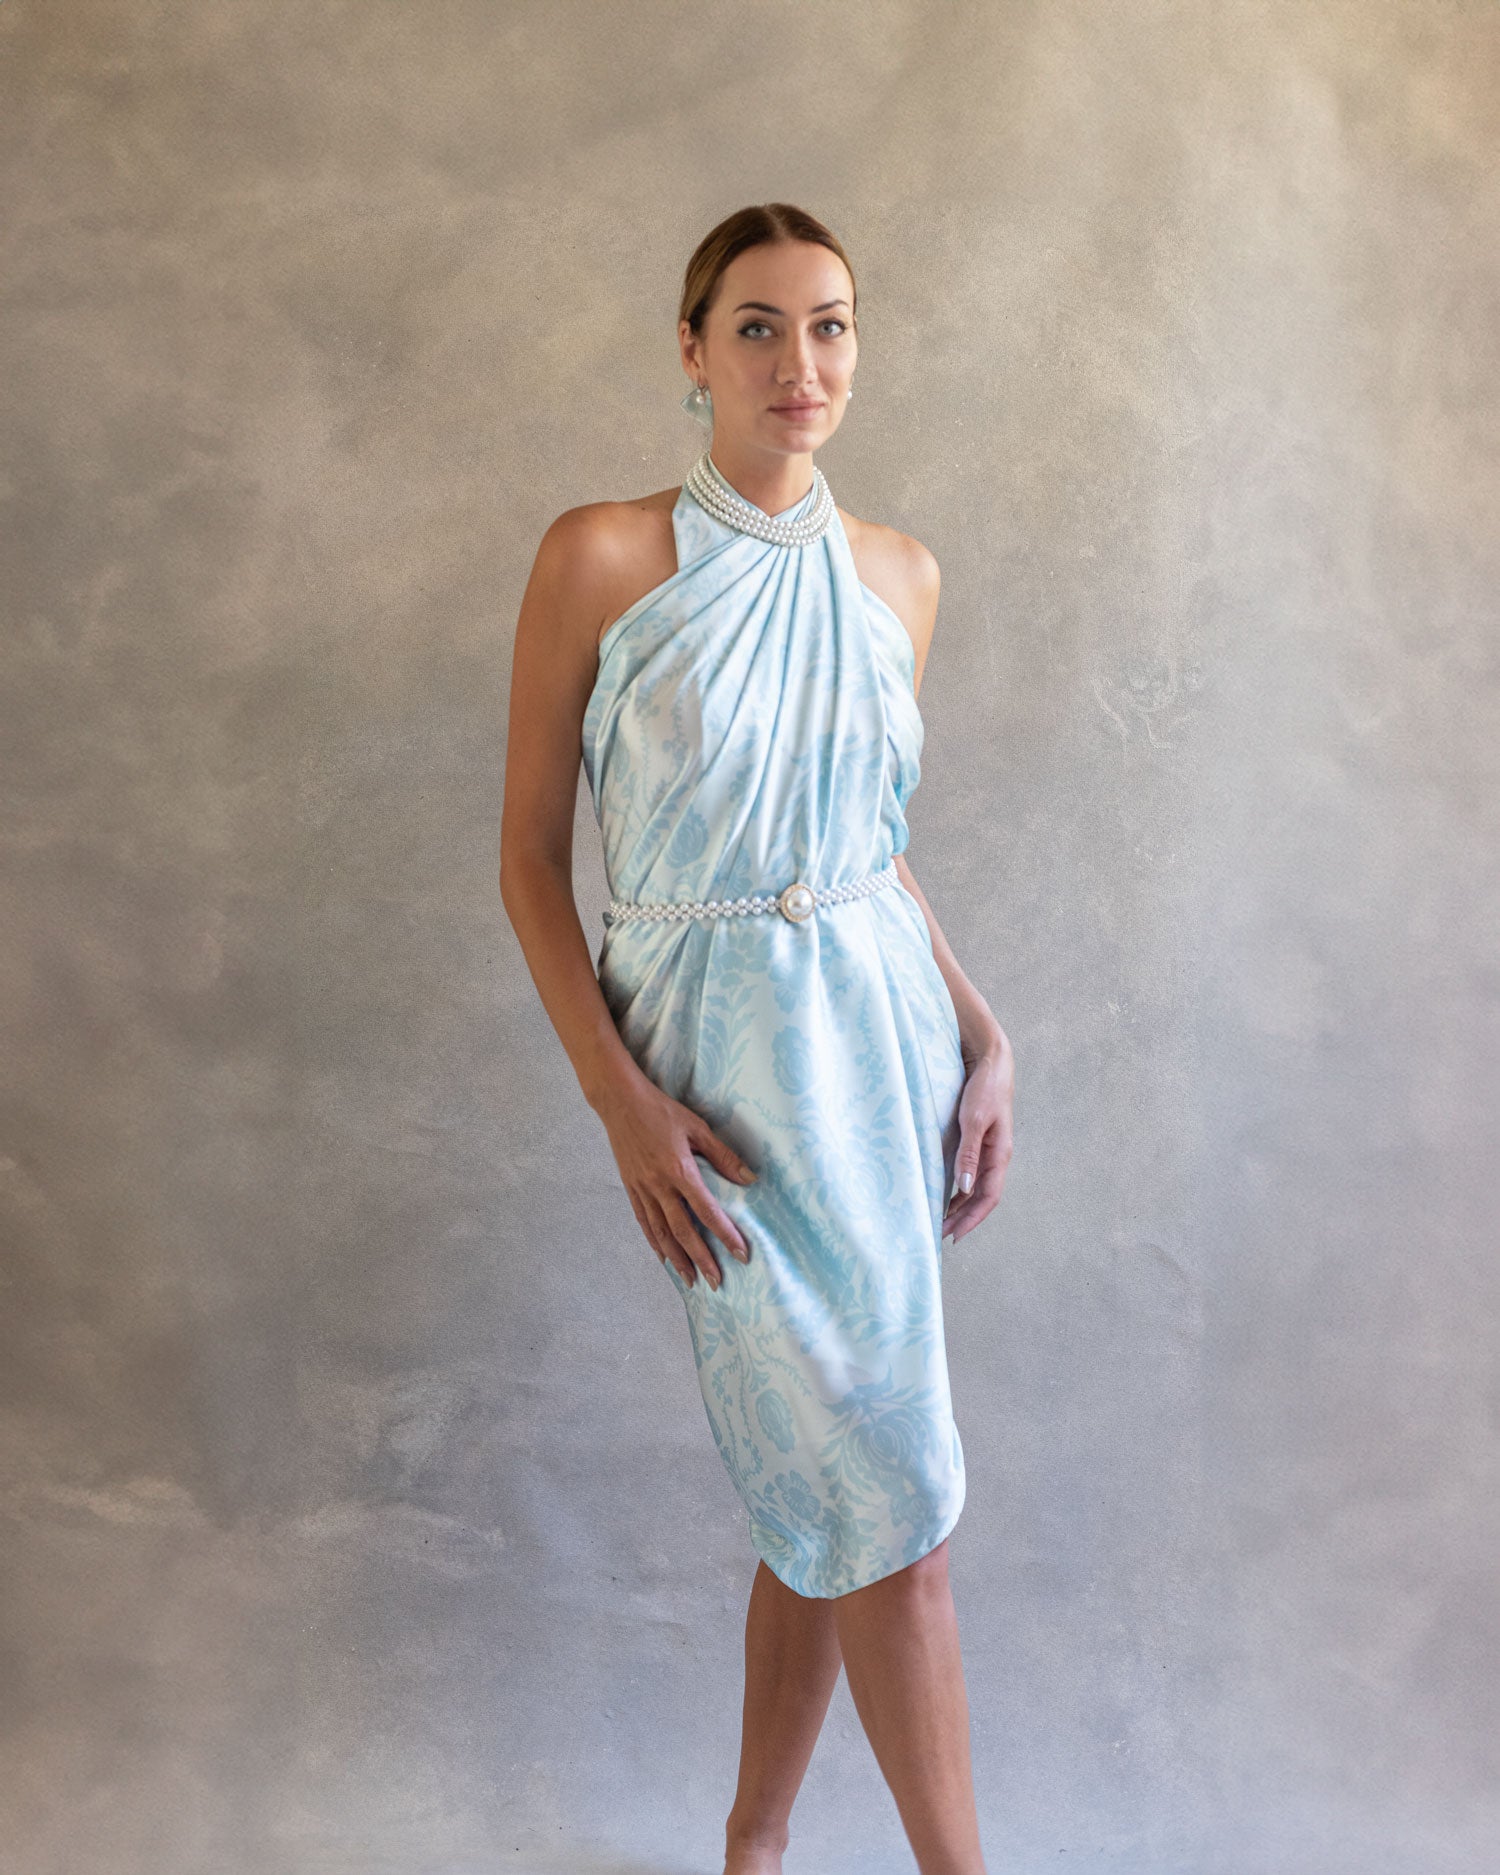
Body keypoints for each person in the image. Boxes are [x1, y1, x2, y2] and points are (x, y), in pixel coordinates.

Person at [500, 202, 1015, 1875]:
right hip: (713, 1077)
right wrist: (619, 1105)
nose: (803, 364)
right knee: (888, 1504)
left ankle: (752, 1848)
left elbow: (863, 844)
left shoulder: (902, 575)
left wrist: (982, 1028)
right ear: (692, 348)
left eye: (834, 325)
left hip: (878, 1050)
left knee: (843, 1495)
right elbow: (525, 864)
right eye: (761, 326)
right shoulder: (599, 556)